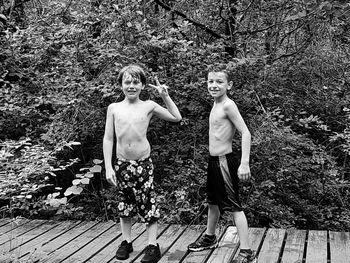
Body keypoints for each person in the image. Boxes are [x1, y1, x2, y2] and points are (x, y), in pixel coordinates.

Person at [103, 64, 182, 263]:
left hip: (143, 164)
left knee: (148, 203)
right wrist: (108, 166)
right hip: (122, 165)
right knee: (125, 204)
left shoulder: (148, 106)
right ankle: (126, 241)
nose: (131, 86)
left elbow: (176, 117)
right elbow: (108, 139)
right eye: (127, 82)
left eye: (135, 82)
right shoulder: (114, 108)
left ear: (143, 85)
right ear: (120, 85)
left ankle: (152, 245)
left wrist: (164, 95)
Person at [187, 64, 257, 263]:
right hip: (213, 161)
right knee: (212, 202)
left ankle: (246, 252)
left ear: (229, 85)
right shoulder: (216, 103)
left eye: (219, 82)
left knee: (235, 206)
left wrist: (244, 163)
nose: (214, 85)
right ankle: (210, 237)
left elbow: (245, 133)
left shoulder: (228, 105)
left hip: (225, 161)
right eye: (210, 81)